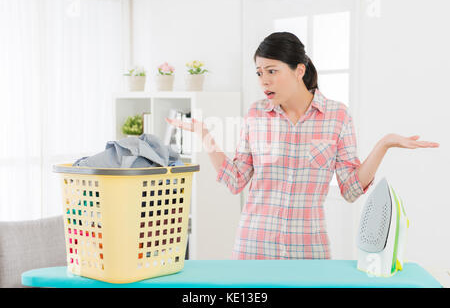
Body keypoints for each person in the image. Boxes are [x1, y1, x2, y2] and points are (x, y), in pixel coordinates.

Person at [166, 32, 439, 260]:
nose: (264, 80)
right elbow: (236, 180)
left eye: (272, 71)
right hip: (254, 247)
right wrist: (205, 135)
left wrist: (384, 144)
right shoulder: (256, 114)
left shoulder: (337, 116)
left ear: (299, 70)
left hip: (309, 248)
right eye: (260, 72)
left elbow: (351, 189)